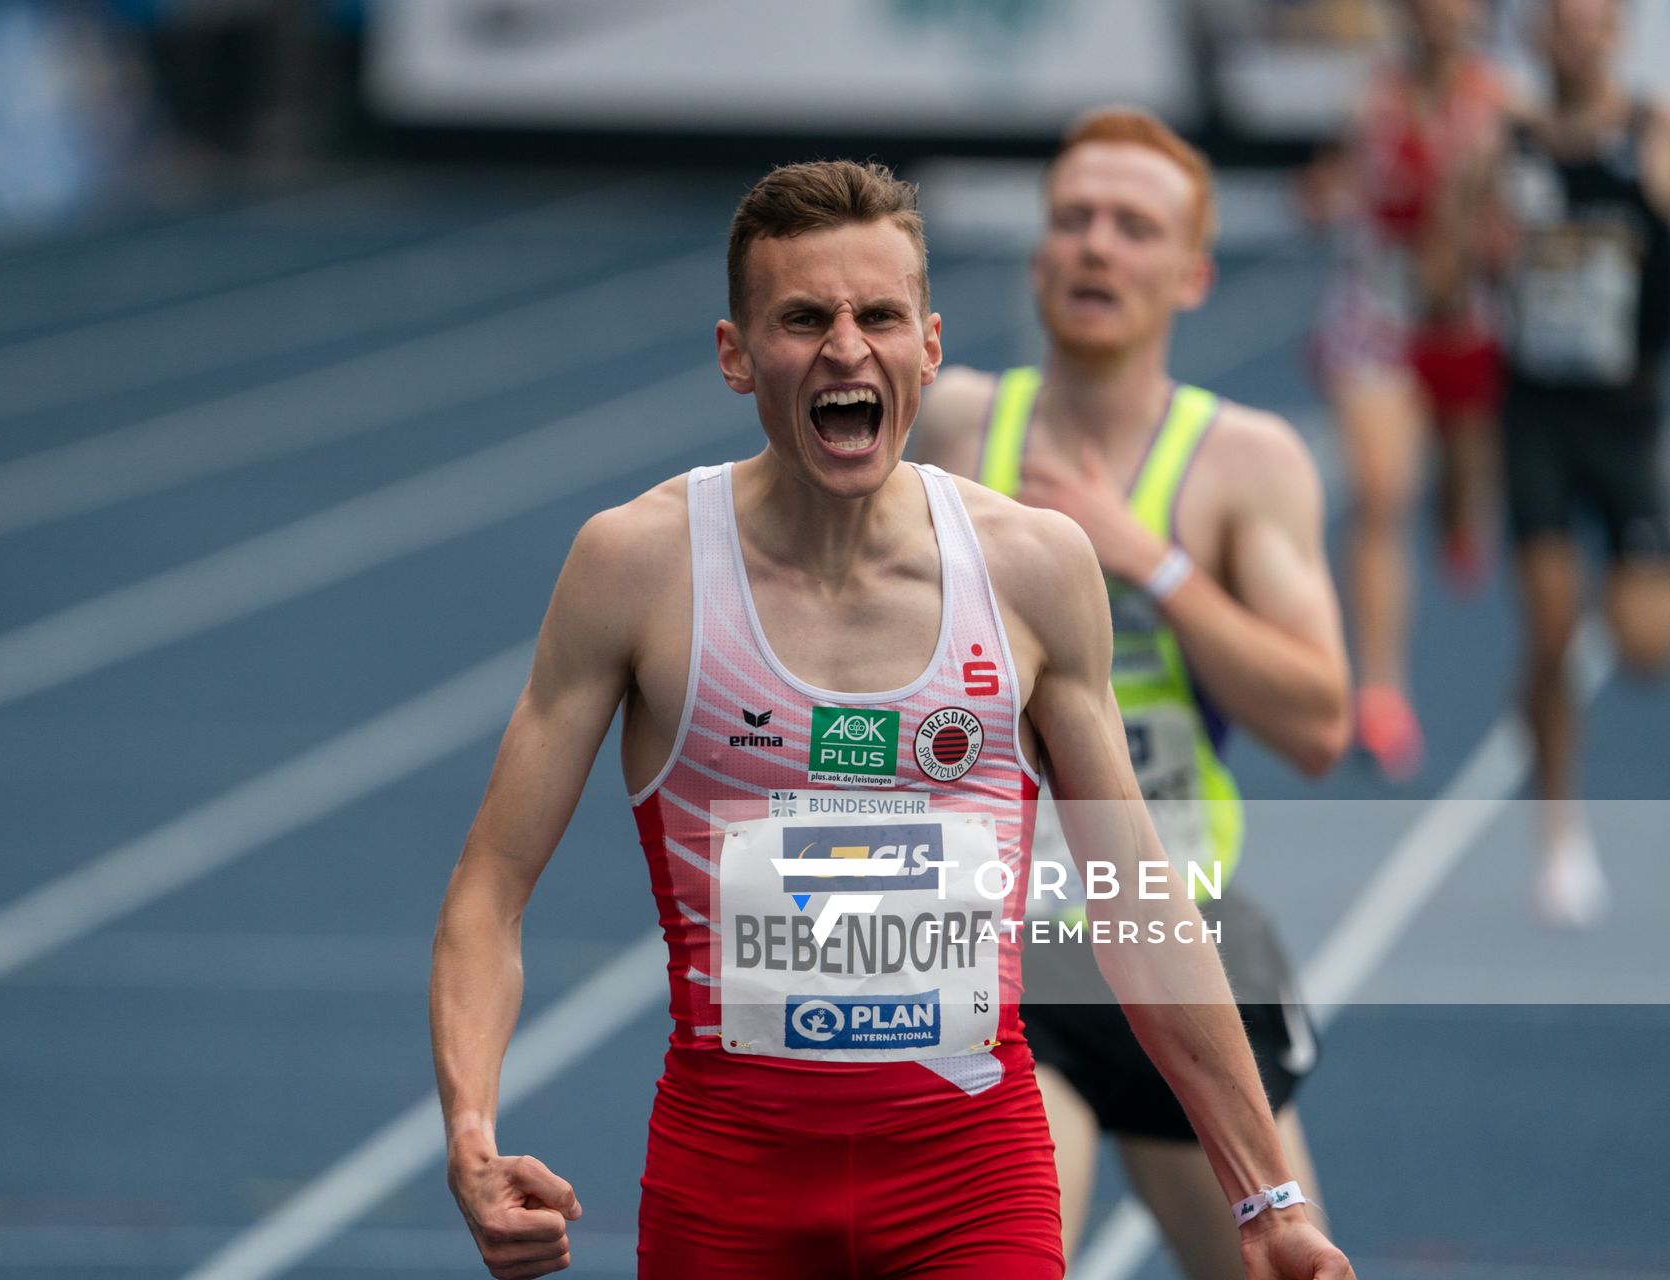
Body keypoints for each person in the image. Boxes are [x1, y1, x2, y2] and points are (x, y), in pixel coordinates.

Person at [431, 159, 1354, 1280]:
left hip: (972, 1177)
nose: (845, 348)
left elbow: (1133, 900)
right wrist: (471, 1135)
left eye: (878, 315)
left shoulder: (1031, 567)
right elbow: (490, 890)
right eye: (804, 317)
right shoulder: (638, 566)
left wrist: (1267, 1192)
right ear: (735, 353)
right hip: (728, 1187)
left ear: (929, 344)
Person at [913, 110, 1353, 1276]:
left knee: (1279, 1261)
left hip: (1176, 941)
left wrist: (1144, 557)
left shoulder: (1241, 462)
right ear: (1040, 252)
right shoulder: (955, 427)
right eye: (1073, 219)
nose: (1097, 246)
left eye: (1133, 226)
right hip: (1001, 954)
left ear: (1191, 273)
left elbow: (1319, 722)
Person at [1499, 0, 1670, 925]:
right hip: (1535, 416)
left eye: (1597, 22)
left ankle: (1602, 610)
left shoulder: (1654, 134)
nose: (1579, 37)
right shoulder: (1509, 143)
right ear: (1538, 35)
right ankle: (1559, 832)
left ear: (1620, 36)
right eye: (1563, 21)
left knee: (1644, 648)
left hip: (1629, 416)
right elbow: (1450, 281)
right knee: (1552, 627)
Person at [1308, 0, 1510, 780]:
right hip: (1377, 322)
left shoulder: (1501, 104)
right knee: (1384, 492)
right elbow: (1335, 182)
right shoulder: (1370, 100)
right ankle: (1382, 692)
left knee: (1460, 508)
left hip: (1467, 324)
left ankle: (1463, 512)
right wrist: (1330, 193)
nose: (1440, 16)